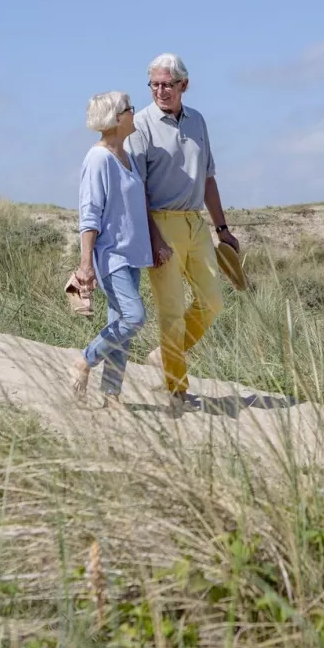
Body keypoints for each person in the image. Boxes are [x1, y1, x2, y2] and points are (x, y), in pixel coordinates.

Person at [128, 52, 240, 413]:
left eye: (168, 84)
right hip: (159, 223)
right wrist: (154, 238)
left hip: (196, 223)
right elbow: (137, 188)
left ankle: (164, 354)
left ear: (184, 85)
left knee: (213, 302)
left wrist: (222, 228)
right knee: (171, 313)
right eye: (155, 84)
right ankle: (177, 390)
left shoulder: (199, 122)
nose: (161, 91)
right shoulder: (141, 124)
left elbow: (208, 178)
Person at [71, 90, 153, 407]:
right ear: (117, 118)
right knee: (134, 318)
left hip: (131, 256)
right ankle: (83, 361)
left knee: (121, 327)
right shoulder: (98, 158)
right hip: (111, 256)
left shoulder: (126, 156)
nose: (135, 114)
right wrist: (85, 264)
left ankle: (111, 395)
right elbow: (89, 214)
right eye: (130, 110)